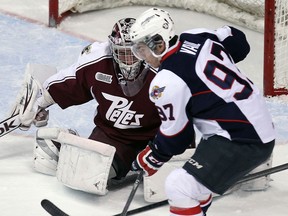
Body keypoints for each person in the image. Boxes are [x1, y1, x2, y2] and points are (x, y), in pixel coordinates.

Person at [129, 8, 275, 215]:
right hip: (256, 124)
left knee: (178, 185)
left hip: (242, 139)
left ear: (158, 43)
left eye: (142, 49)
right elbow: (239, 42)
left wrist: (153, 156)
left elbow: (178, 137)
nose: (142, 57)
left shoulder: (166, 81)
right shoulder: (198, 35)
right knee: (193, 186)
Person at [16, 18, 161, 195]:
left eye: (135, 53)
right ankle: (71, 145)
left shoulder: (162, 66)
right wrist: (38, 105)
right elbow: (68, 84)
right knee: (85, 177)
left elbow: (187, 105)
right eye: (123, 53)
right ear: (112, 49)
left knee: (177, 182)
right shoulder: (97, 60)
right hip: (114, 136)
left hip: (159, 138)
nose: (129, 61)